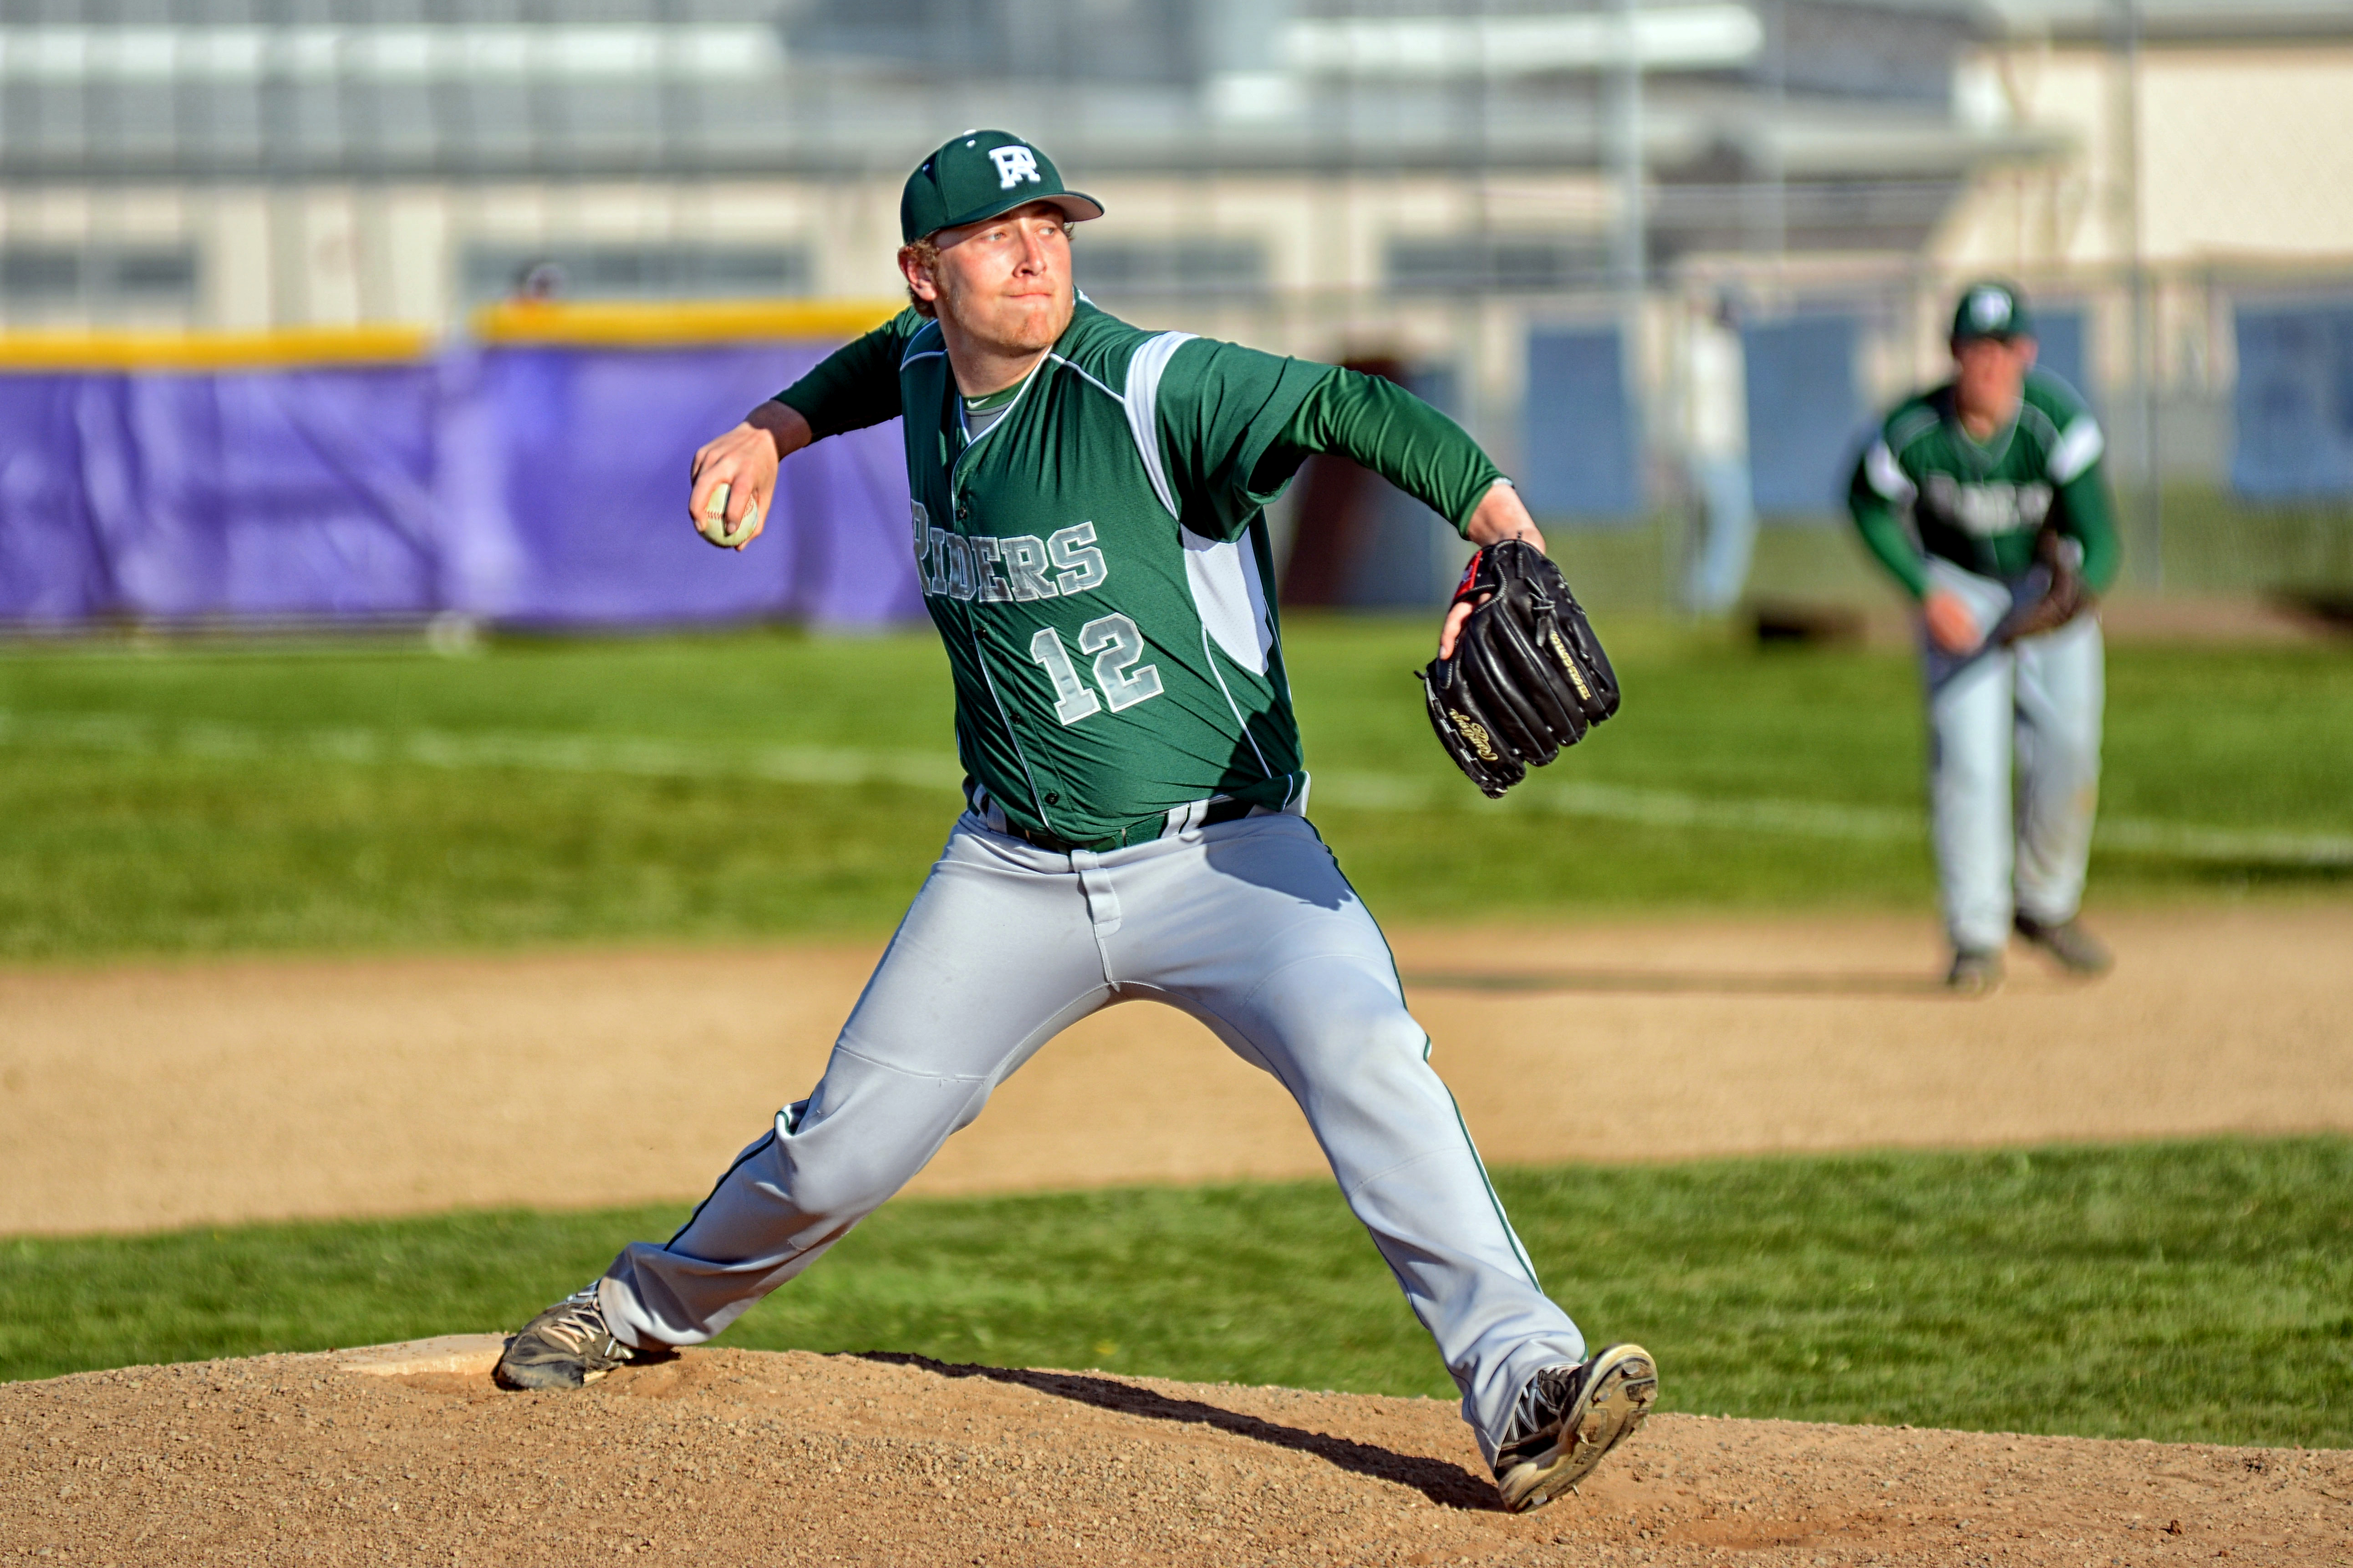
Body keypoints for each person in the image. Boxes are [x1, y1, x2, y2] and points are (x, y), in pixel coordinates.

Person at [492, 130, 1656, 1514]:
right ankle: (637, 1309)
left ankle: (1526, 1384)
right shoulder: (926, 365)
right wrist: (771, 430)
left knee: (1371, 1057)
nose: (1037, 249)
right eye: (998, 234)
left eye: (1053, 222)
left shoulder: (1152, 387)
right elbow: (876, 364)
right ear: (927, 275)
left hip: (1229, 852)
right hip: (1013, 873)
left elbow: (1355, 406)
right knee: (843, 1142)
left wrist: (1506, 531)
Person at [1848, 280, 2120, 993]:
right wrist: (1921, 591)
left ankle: (2047, 905)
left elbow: (2103, 540)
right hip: (1958, 588)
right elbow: (1868, 502)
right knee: (1968, 761)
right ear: (1954, 354)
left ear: (2026, 352)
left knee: (2068, 750)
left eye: (2004, 349)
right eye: (1977, 349)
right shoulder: (1916, 429)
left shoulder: (2055, 422)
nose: (1991, 365)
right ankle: (1976, 936)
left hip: (2044, 590)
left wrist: (2072, 591)